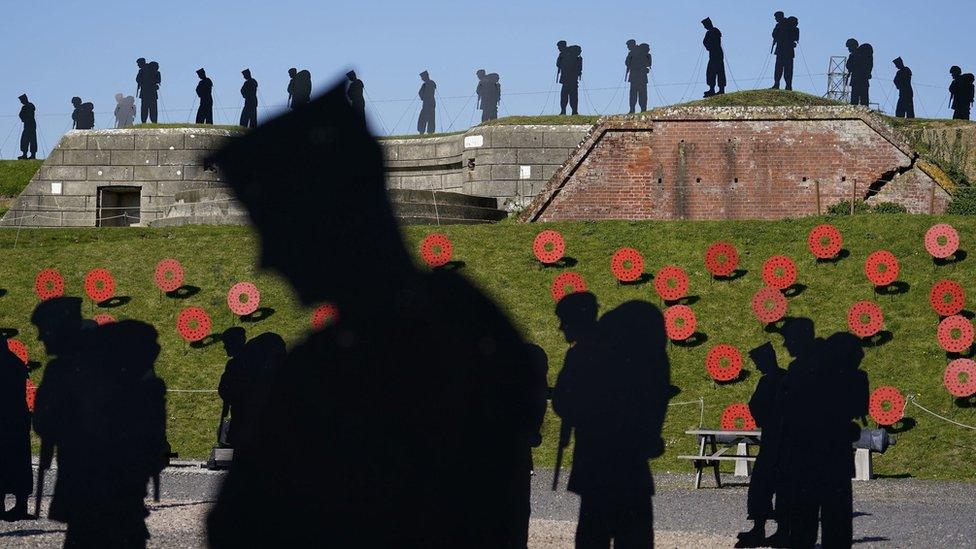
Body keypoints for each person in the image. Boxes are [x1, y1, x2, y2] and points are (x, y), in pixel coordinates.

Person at [206, 82, 540, 547]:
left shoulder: (342, 365)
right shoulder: (467, 319)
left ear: (325, 223)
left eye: (277, 228)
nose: (268, 258)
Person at [554, 297, 670, 548]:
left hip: (596, 464)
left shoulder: (580, 355)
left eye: (564, 321)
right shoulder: (626, 353)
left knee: (593, 537)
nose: (561, 328)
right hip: (631, 464)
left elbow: (564, 403)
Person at [788, 332, 868, 548]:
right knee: (837, 521)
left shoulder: (803, 375)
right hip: (835, 457)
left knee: (805, 520)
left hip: (807, 458)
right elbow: (859, 410)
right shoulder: (855, 378)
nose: (861, 356)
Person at [31, 298, 89, 529]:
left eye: (45, 331)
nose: (41, 338)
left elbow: (45, 420)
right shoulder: (98, 362)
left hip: (78, 465)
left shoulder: (59, 370)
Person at [735, 342, 789, 548]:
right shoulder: (785, 378)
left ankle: (762, 529)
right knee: (776, 486)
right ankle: (780, 530)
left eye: (758, 362)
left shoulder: (770, 382)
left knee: (763, 485)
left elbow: (755, 406)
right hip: (781, 441)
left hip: (775, 441)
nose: (757, 367)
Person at [0, 337, 32, 522]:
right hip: (18, 420)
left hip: (4, 420)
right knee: (20, 462)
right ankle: (21, 505)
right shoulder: (16, 364)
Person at [771, 12, 799, 90]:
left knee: (781, 69)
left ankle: (780, 85)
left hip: (783, 50)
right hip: (787, 50)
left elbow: (774, 35)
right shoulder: (785, 25)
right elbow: (796, 38)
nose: (775, 19)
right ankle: (786, 85)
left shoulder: (782, 25)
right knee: (785, 69)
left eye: (776, 17)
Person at [556, 41, 583, 115]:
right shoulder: (567, 54)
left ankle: (566, 111)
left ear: (562, 46)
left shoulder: (564, 54)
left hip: (568, 79)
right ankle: (572, 111)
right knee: (571, 96)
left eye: (559, 47)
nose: (558, 49)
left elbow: (558, 64)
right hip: (571, 79)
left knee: (567, 96)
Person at [625, 39, 651, 113]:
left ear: (632, 44)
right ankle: (643, 109)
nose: (628, 47)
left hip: (635, 76)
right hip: (642, 76)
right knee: (642, 94)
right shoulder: (642, 52)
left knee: (634, 94)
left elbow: (627, 62)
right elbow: (648, 63)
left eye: (628, 46)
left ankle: (633, 109)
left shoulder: (632, 53)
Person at [702, 18, 726, 97]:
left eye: (705, 25)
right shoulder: (713, 32)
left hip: (715, 55)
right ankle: (714, 89)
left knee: (716, 71)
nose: (705, 27)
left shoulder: (713, 32)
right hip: (715, 54)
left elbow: (706, 42)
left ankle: (719, 89)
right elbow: (705, 42)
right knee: (713, 72)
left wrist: (709, 46)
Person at [845, 39, 873, 107]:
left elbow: (869, 64)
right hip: (858, 79)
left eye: (849, 47)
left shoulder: (860, 55)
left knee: (863, 98)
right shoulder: (852, 55)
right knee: (857, 98)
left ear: (853, 46)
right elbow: (848, 65)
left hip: (861, 78)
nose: (849, 49)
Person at [136, 58, 161, 124]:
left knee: (144, 108)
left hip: (144, 93)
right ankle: (154, 122)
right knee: (153, 108)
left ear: (141, 63)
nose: (138, 65)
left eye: (138, 64)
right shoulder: (153, 70)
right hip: (153, 92)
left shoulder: (141, 71)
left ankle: (144, 122)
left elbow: (137, 79)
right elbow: (158, 80)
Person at [17, 94, 37, 159]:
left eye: (21, 100)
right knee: (24, 140)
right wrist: (23, 119)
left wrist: (25, 118)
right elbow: (20, 114)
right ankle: (24, 154)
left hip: (31, 125)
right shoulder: (24, 107)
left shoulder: (30, 106)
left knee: (32, 140)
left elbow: (30, 115)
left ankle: (33, 154)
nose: (21, 102)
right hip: (27, 125)